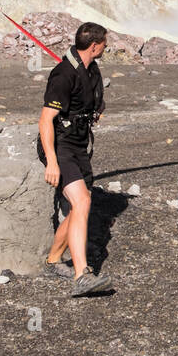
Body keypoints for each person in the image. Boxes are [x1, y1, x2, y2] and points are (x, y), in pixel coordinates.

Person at [38, 22, 114, 297]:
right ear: (94, 45)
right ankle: (82, 275)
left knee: (78, 207)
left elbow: (91, 102)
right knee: (82, 201)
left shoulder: (91, 70)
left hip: (80, 146)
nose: (106, 47)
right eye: (105, 43)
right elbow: (45, 121)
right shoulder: (62, 75)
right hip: (60, 147)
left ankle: (52, 261)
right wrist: (52, 162)